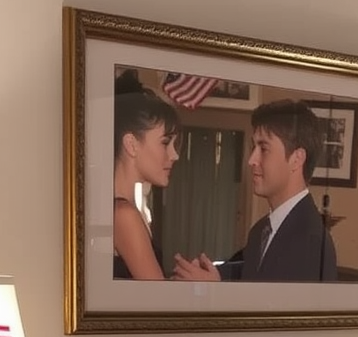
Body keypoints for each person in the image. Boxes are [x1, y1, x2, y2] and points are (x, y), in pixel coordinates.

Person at [172, 99, 338, 283]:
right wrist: (216, 275)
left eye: (264, 149)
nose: (251, 159)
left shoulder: (310, 243)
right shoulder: (262, 230)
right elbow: (252, 270)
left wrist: (214, 291)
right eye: (253, 147)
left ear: (297, 159)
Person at [113, 70, 181, 279]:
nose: (174, 155)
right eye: (165, 143)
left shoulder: (127, 209)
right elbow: (158, 303)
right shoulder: (123, 214)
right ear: (132, 144)